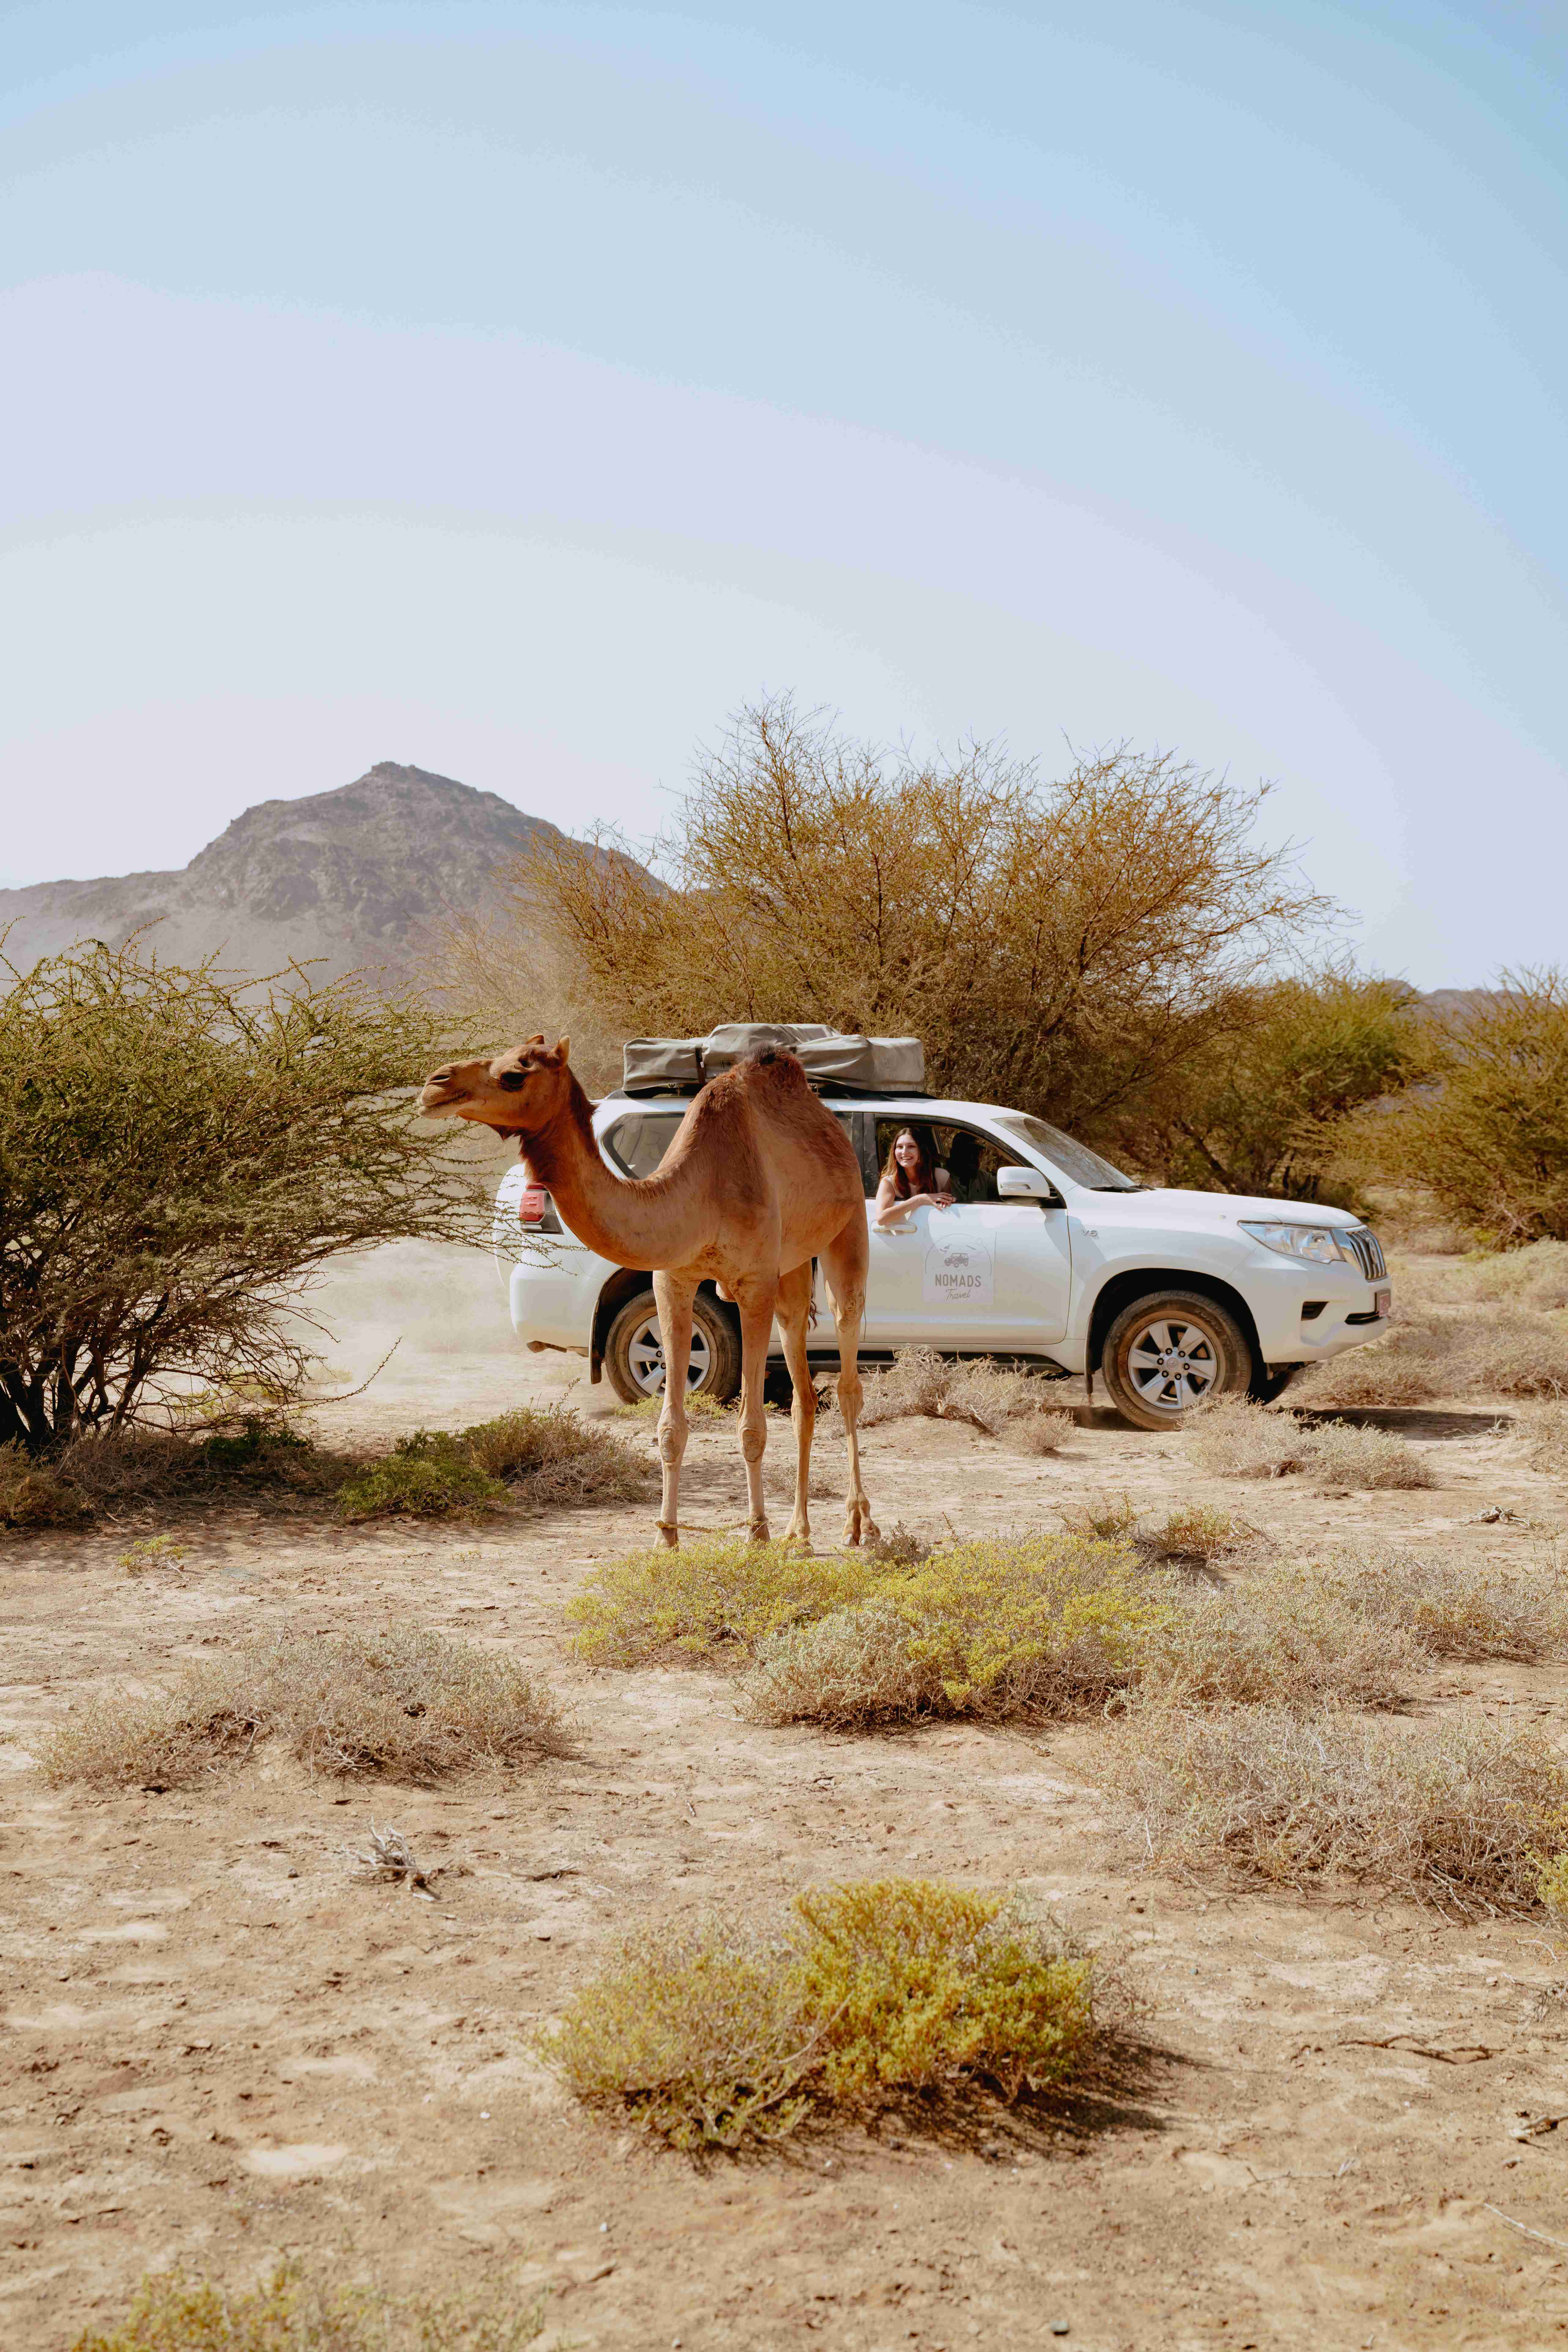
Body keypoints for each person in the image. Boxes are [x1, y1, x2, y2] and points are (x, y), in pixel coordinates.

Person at [874, 1125, 952, 1228]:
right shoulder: (889, 1182)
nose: (904, 1152)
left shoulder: (942, 1177)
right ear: (894, 1151)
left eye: (911, 1146)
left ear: (921, 1150)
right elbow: (881, 1219)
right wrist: (919, 1200)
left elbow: (949, 1211)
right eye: (900, 1147)